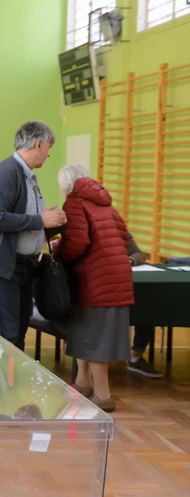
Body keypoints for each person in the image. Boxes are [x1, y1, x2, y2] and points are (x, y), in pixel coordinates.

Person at [0, 121, 67, 350]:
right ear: (38, 144)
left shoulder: (26, 175)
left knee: (17, 333)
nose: (49, 154)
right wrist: (40, 220)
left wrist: (49, 222)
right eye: (49, 147)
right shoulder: (7, 172)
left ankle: (9, 375)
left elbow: (20, 217)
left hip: (21, 266)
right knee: (6, 336)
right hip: (0, 267)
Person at [53, 164, 133, 413]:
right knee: (84, 331)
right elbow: (123, 238)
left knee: (95, 338)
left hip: (94, 279)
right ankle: (82, 383)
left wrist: (58, 253)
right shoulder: (106, 204)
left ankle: (103, 396)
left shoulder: (74, 203)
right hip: (116, 276)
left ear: (66, 185)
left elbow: (77, 242)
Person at [124, 233, 164, 378]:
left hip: (126, 282)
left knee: (148, 303)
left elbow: (139, 255)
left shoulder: (121, 231)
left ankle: (136, 357)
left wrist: (130, 260)